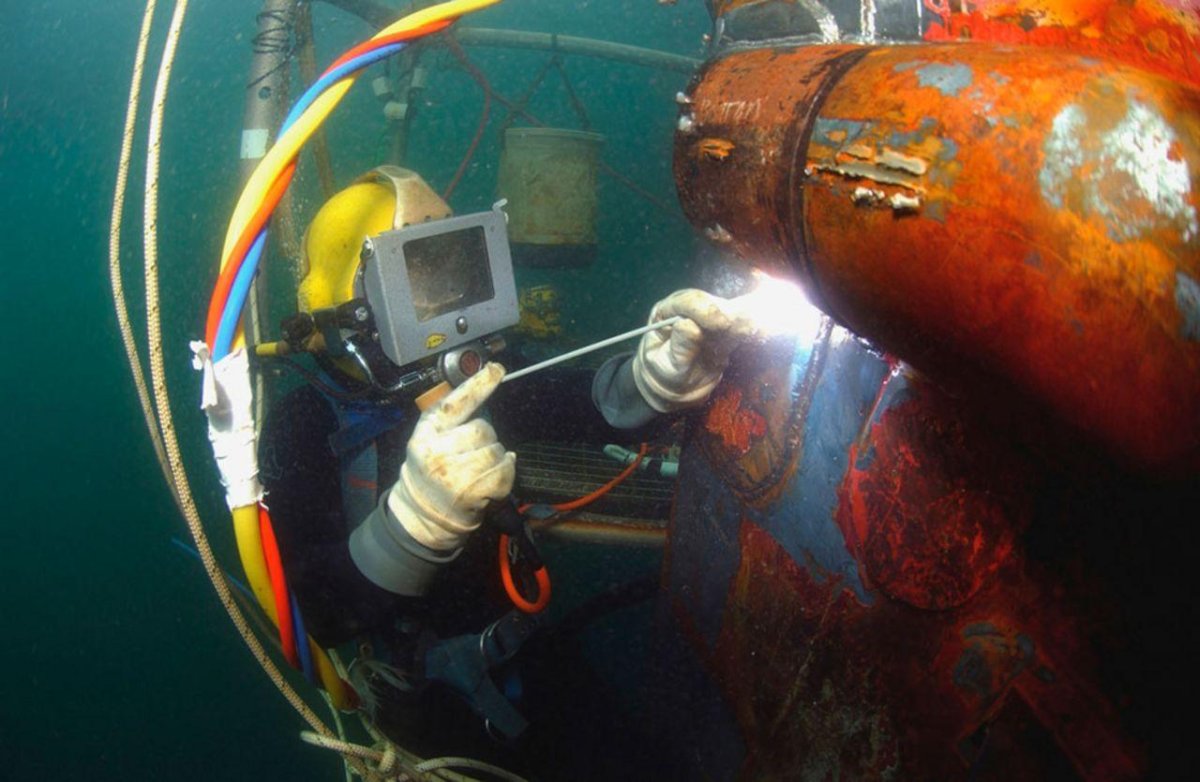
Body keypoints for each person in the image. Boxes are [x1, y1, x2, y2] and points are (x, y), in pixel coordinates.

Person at [257, 166, 759, 764]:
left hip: (538, 660)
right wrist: (411, 528)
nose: (451, 310)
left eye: (457, 269)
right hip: (432, 711)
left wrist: (651, 380)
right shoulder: (306, 423)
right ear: (352, 304)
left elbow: (577, 402)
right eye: (421, 277)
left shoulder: (474, 369)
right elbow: (317, 614)